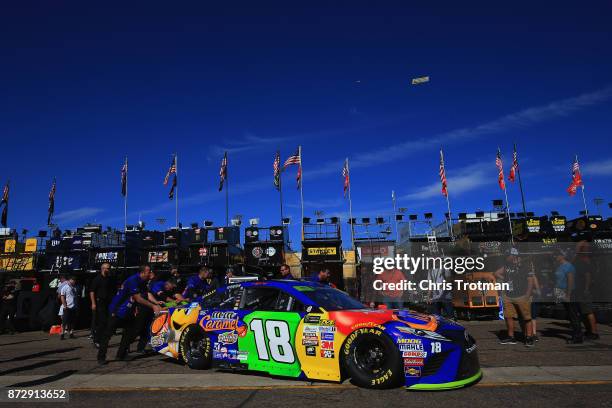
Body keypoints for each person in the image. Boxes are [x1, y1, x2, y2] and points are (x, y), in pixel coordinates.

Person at [97, 265, 161, 365]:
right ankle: (101, 357)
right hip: (117, 311)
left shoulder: (142, 281)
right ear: (142, 272)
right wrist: (153, 306)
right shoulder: (133, 280)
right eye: (148, 271)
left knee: (128, 334)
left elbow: (147, 294)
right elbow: (138, 298)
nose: (150, 273)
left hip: (128, 311)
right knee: (107, 335)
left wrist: (156, 303)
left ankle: (120, 355)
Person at [495, 248, 536, 347]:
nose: (506, 257)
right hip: (509, 296)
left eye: (507, 255)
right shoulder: (506, 266)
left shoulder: (525, 266)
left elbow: (531, 281)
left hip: (522, 295)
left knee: (527, 317)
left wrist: (527, 294)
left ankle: (529, 338)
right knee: (508, 316)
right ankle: (511, 337)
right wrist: (505, 279)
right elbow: (496, 273)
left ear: (513, 256)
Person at [554, 249, 583, 344]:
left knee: (573, 315)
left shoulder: (568, 266)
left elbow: (570, 281)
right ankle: (576, 334)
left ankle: (578, 337)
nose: (555, 256)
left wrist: (568, 295)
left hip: (569, 292)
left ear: (563, 256)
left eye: (557, 255)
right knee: (570, 315)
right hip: (562, 292)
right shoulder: (560, 266)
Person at [573, 241, 599, 340]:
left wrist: (586, 289)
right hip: (580, 290)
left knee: (588, 311)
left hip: (584, 290)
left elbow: (587, 276)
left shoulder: (584, 260)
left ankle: (594, 332)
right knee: (584, 311)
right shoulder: (581, 259)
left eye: (578, 247)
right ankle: (589, 331)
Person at [89, 263, 116, 347]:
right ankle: (96, 340)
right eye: (107, 268)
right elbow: (92, 291)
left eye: (109, 268)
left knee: (108, 322)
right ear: (103, 269)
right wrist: (93, 303)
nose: (109, 270)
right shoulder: (97, 279)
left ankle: (102, 339)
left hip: (108, 302)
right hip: (100, 302)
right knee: (101, 322)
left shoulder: (110, 279)